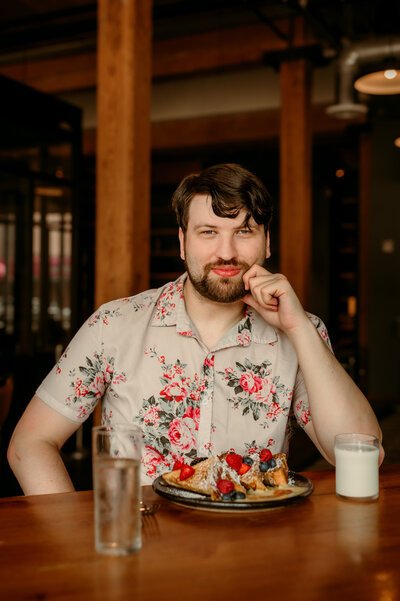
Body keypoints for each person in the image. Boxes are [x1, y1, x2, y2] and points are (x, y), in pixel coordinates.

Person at [8, 163, 384, 494]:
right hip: (140, 553)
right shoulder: (113, 324)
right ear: (183, 242)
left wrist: (300, 329)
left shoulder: (301, 330)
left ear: (267, 242)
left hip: (257, 555)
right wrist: (73, 538)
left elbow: (363, 454)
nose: (226, 251)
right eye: (208, 232)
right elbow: (31, 443)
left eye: (244, 231)